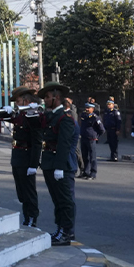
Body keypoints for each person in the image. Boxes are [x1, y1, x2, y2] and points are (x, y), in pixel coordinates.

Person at [0, 87, 43, 227]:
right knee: (21, 190)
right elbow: (3, 116)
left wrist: (33, 164)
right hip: (17, 155)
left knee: (29, 190)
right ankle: (26, 215)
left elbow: (37, 142)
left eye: (18, 101)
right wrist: (4, 110)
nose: (16, 104)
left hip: (27, 156)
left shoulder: (33, 116)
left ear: (26, 100)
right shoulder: (21, 115)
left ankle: (32, 216)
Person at [38, 82, 76, 246]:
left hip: (60, 165)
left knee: (65, 200)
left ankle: (67, 232)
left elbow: (64, 145)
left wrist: (59, 167)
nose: (45, 100)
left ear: (57, 98)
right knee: (57, 199)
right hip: (49, 163)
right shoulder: (51, 116)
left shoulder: (64, 118)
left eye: (47, 97)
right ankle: (60, 228)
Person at [78, 103, 104, 180]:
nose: (87, 109)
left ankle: (93, 173)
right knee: (84, 156)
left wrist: (96, 136)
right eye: (86, 107)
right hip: (83, 138)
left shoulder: (95, 118)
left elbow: (102, 129)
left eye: (89, 108)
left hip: (91, 139)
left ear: (93, 109)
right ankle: (86, 172)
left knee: (92, 156)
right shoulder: (83, 115)